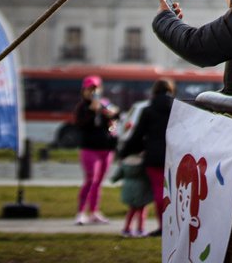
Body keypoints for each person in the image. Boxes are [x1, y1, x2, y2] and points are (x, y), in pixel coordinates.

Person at [120, 78, 176, 237]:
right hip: (174, 156)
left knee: (159, 191)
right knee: (174, 192)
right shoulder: (177, 109)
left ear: (154, 91)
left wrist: (125, 152)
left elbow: (137, 135)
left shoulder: (148, 110)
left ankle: (162, 227)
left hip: (154, 157)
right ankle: (174, 226)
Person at [73, 75, 119, 225]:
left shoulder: (104, 104)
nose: (93, 92)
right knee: (90, 179)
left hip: (105, 148)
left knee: (98, 182)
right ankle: (80, 212)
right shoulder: (82, 107)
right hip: (89, 148)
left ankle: (94, 211)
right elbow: (81, 124)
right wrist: (92, 111)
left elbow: (116, 118)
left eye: (95, 89)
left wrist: (113, 114)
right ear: (84, 90)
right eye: (90, 89)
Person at [111, 151, 153, 237]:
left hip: (128, 190)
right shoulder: (143, 163)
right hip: (142, 189)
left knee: (131, 210)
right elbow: (150, 175)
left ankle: (127, 228)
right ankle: (140, 229)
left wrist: (114, 179)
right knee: (142, 210)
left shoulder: (125, 162)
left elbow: (116, 176)